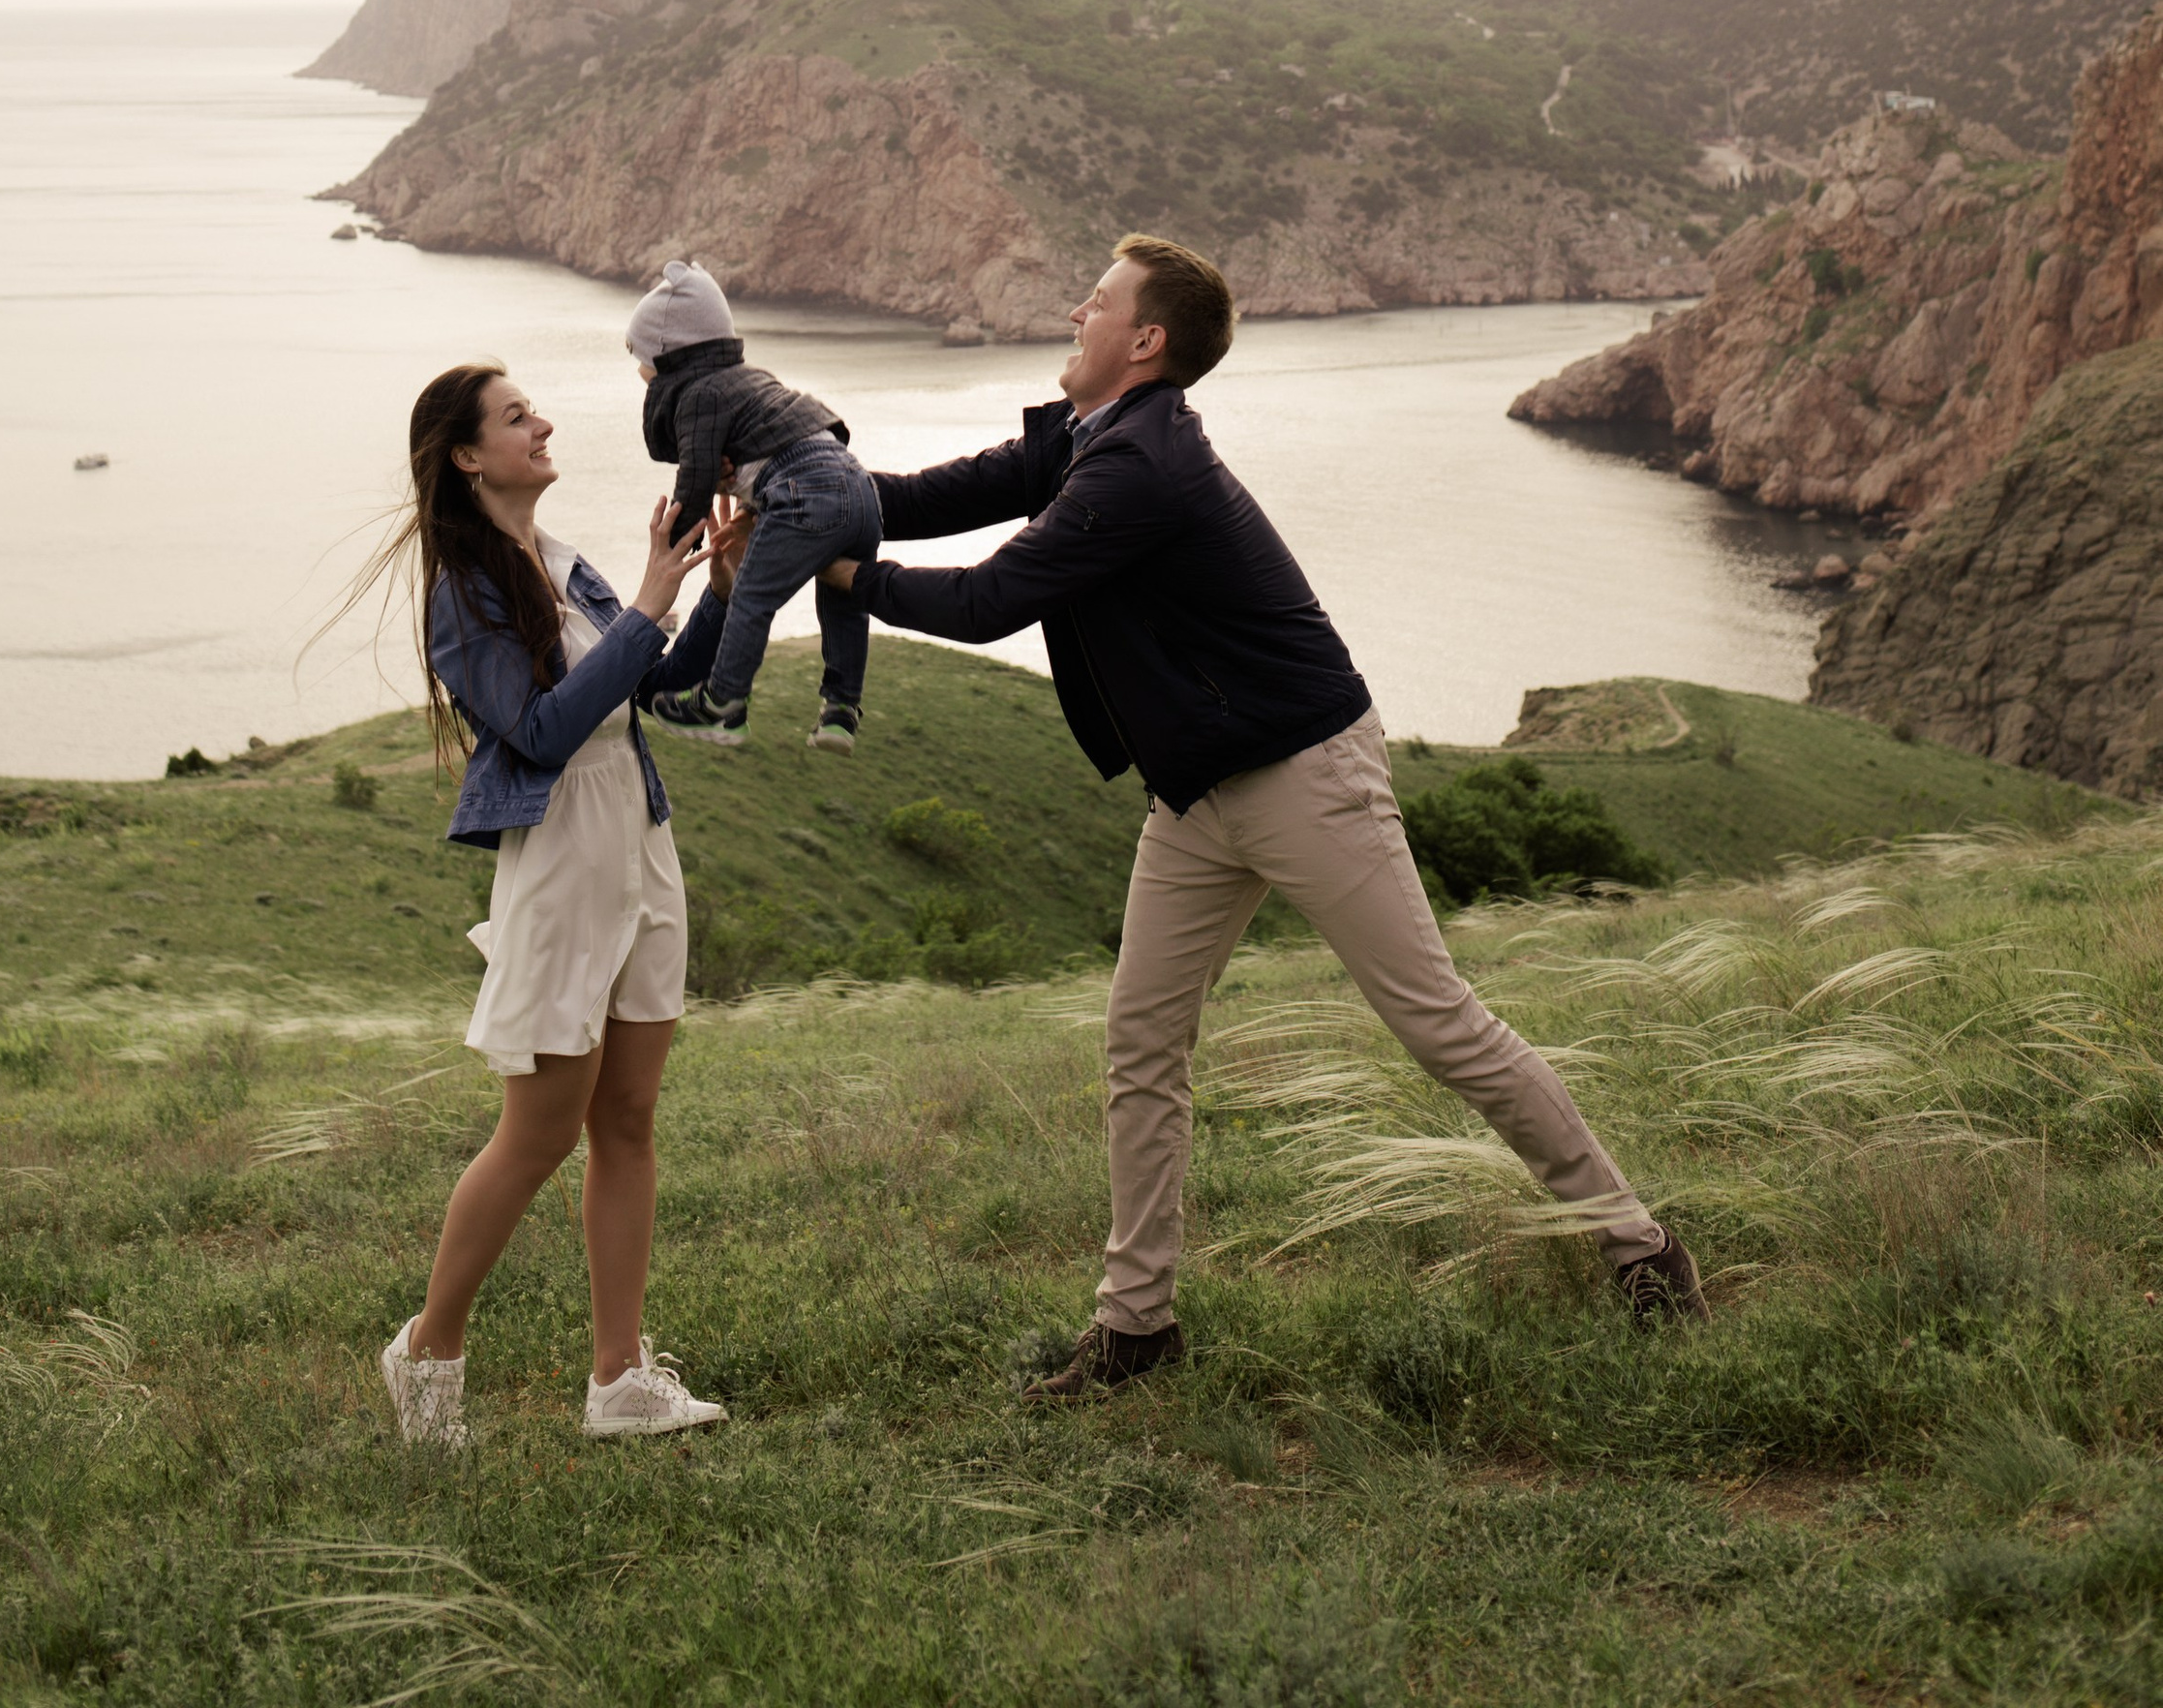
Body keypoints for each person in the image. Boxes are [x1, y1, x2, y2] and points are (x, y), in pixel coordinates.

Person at [823, 234, 1708, 1396]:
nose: (1072, 315)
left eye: (1094, 303)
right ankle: (1137, 1327)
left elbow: (992, 600)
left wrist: (840, 581)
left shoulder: (1142, 464)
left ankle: (1642, 1252)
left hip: (1303, 776)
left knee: (1441, 1027)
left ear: (1145, 341)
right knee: (1141, 1045)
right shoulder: (1082, 442)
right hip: (1195, 796)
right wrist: (804, 494)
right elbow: (925, 499)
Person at [365, 356, 736, 1449]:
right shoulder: (464, 594)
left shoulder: (564, 566)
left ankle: (618, 1377)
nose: (544, 425)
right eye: (518, 418)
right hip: (563, 855)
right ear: (469, 456)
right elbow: (537, 731)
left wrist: (713, 592)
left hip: (639, 839)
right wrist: (652, 604)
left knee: (627, 1119)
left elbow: (651, 691)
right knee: (536, 1135)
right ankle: (428, 1351)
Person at [629, 258, 881, 750]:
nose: (639, 369)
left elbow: (697, 474)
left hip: (804, 487)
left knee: (751, 596)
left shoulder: (699, 393)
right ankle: (840, 711)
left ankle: (724, 702)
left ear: (668, 355)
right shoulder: (750, 378)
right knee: (845, 602)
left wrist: (681, 543)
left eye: (640, 356)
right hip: (860, 487)